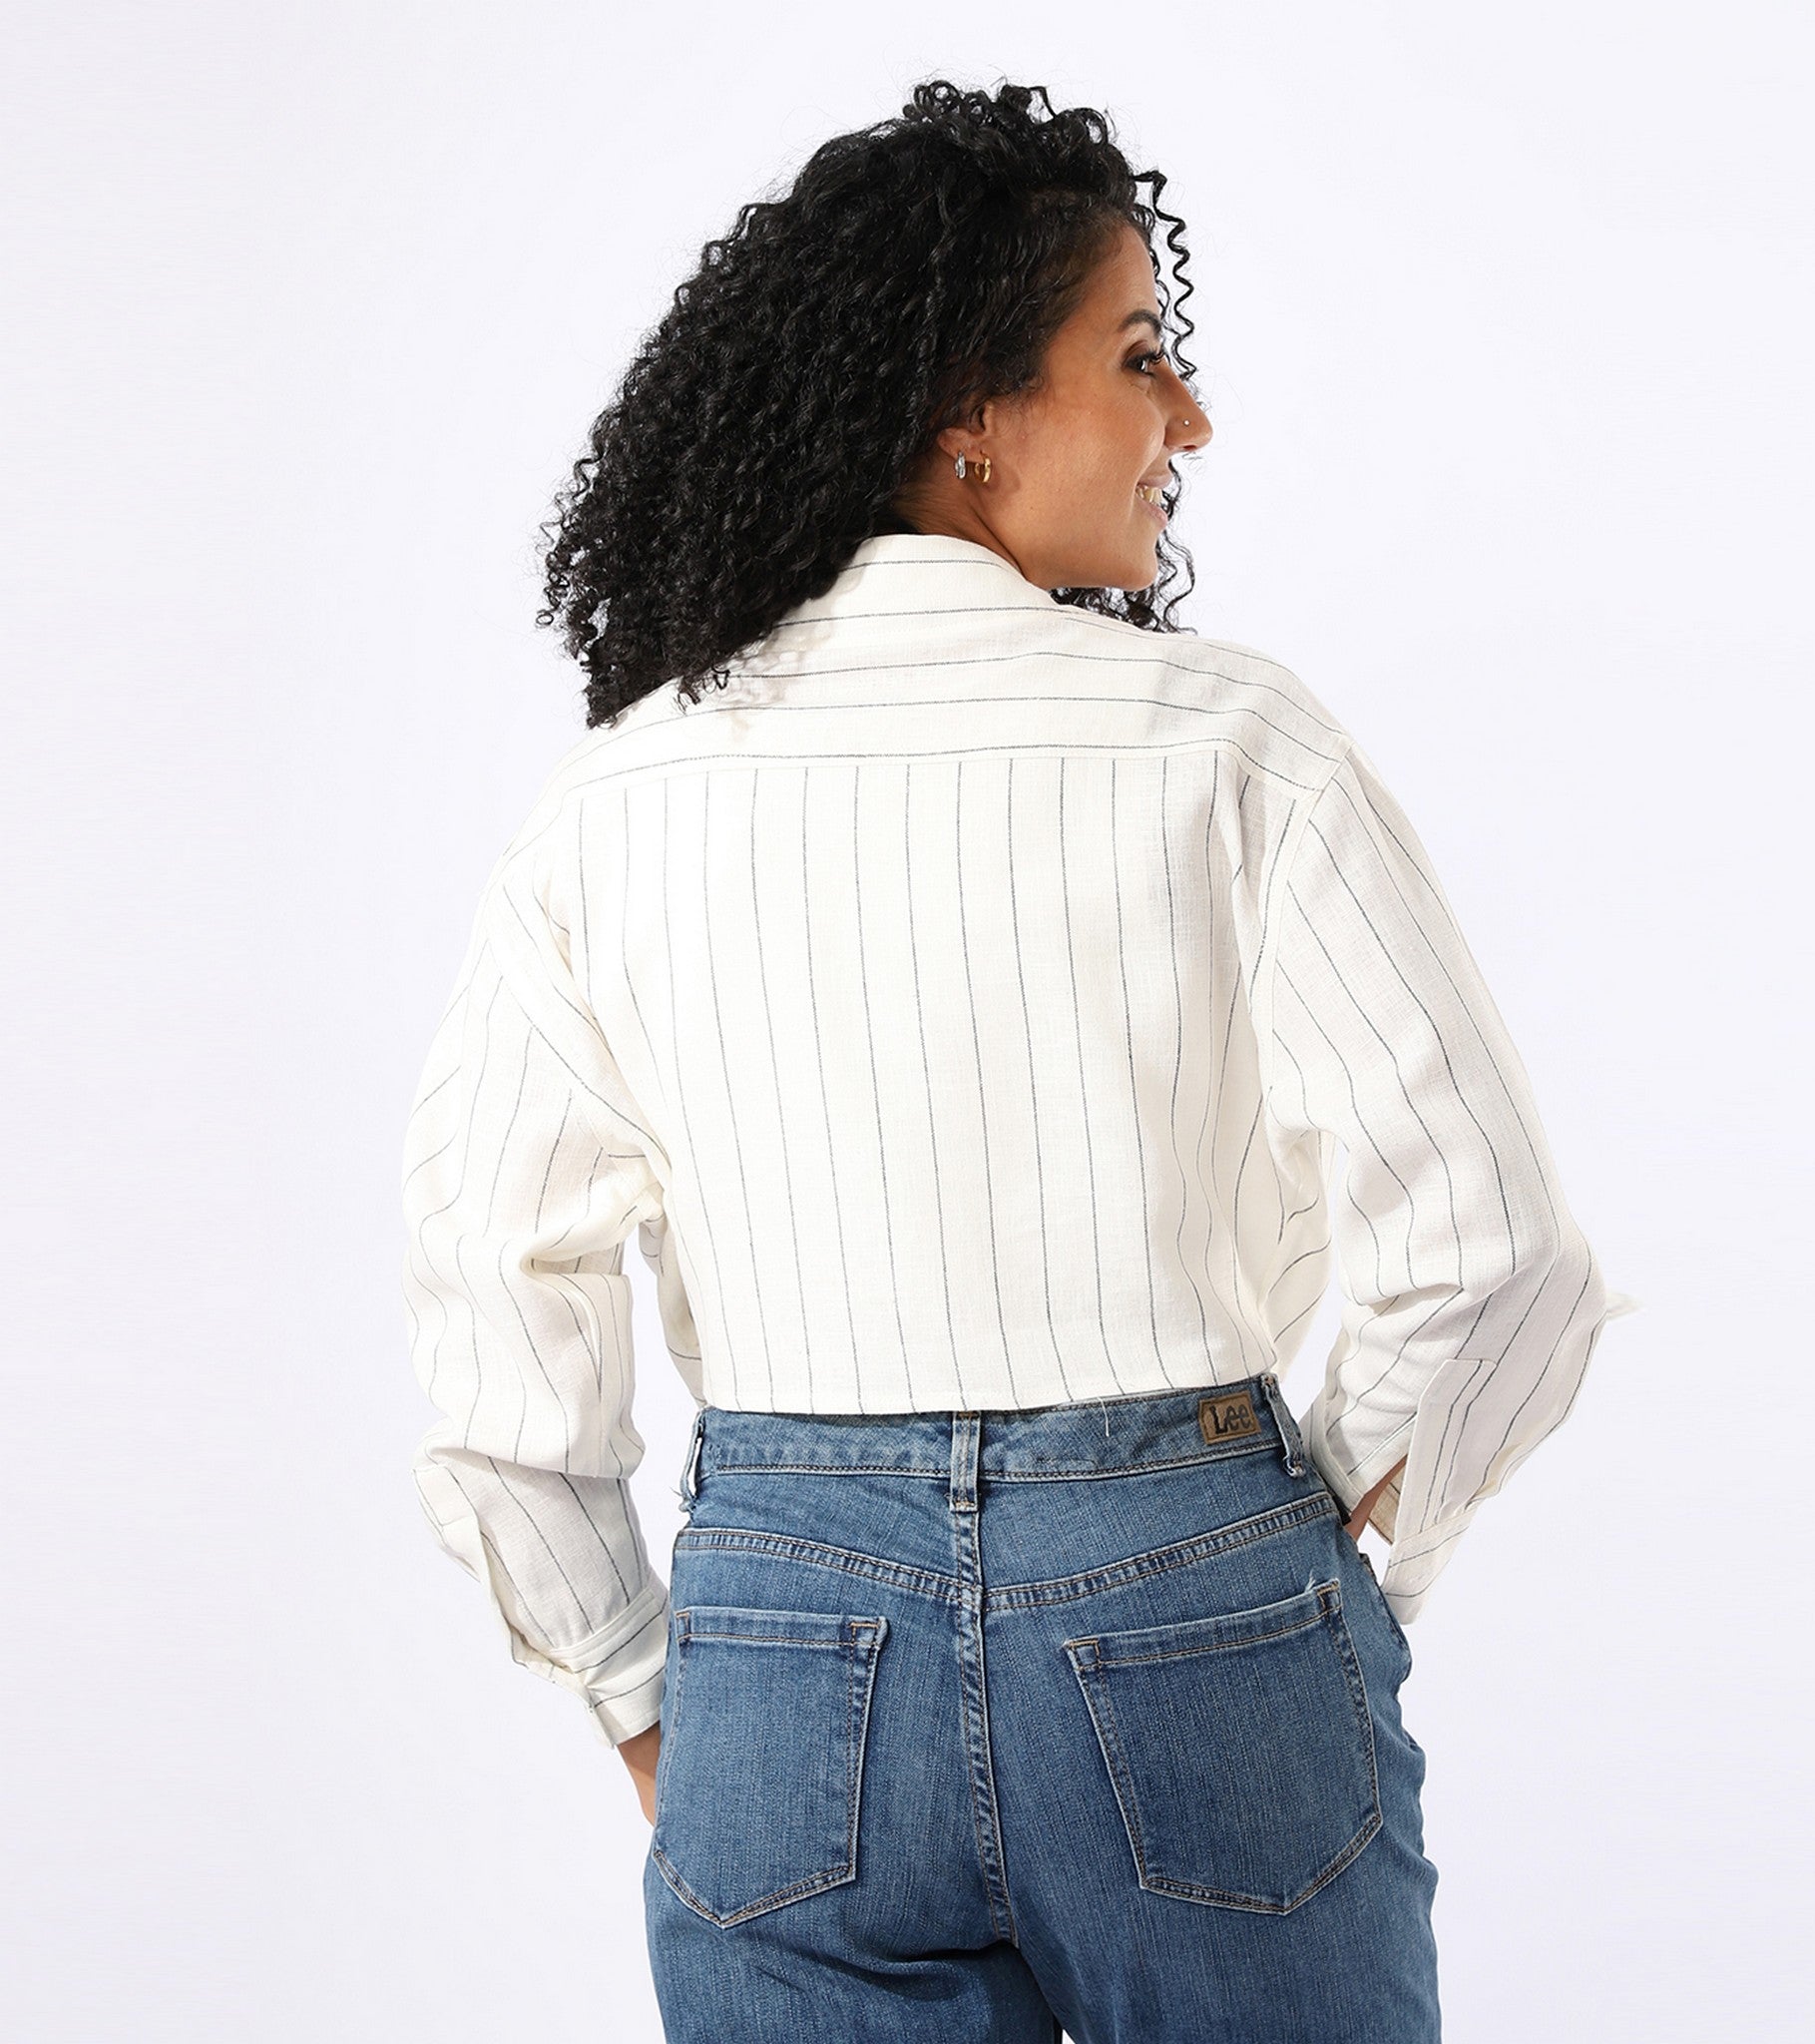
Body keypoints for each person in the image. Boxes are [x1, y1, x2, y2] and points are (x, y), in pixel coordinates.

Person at [398, 76, 1637, 2044]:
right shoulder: (1231, 746)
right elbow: (1490, 1252)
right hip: (1199, 1594)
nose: (1190, 421)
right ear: (969, 413)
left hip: (786, 1645)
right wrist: (1300, 1573)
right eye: (1141, 358)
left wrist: (650, 1698)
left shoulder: (611, 807)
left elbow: (493, 1340)